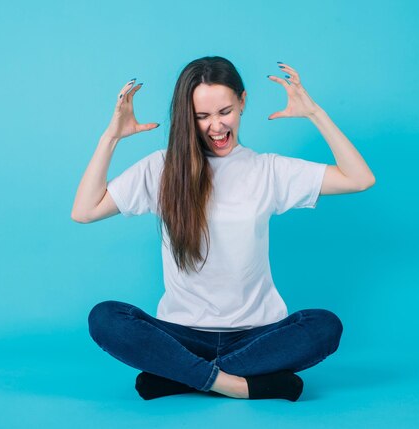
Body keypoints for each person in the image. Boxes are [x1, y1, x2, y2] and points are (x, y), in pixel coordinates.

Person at [71, 56, 375, 401]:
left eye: (224, 112)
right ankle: (237, 384)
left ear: (242, 102)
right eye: (202, 116)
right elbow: (84, 211)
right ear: (188, 117)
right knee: (106, 317)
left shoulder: (267, 170)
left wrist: (314, 113)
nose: (216, 126)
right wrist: (111, 137)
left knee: (324, 326)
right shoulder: (162, 169)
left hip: (257, 335)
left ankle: (180, 375)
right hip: (181, 334)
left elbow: (359, 178)